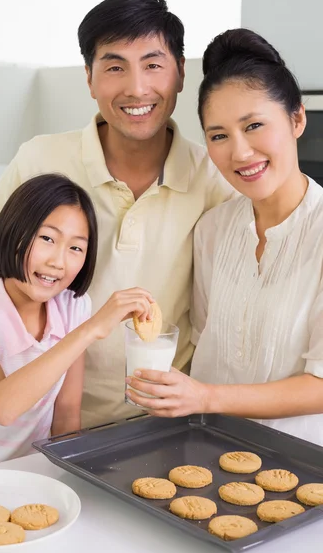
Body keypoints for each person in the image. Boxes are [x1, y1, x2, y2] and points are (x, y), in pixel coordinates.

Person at [0, 0, 232, 428]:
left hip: (160, 418)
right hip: (43, 417)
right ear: (89, 78)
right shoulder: (39, 158)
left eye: (153, 64)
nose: (137, 87)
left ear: (181, 73)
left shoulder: (214, 177)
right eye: (114, 66)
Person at [125, 28, 323, 446]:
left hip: (302, 468)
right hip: (206, 450)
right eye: (218, 136)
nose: (240, 153)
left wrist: (205, 396)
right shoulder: (212, 229)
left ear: (297, 119)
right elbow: (203, 343)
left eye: (254, 125)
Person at [0, 174, 154, 477]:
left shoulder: (73, 308)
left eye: (76, 248)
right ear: (12, 232)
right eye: (47, 239)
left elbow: (67, 411)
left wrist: (70, 481)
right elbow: (1, 408)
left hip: (28, 476)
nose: (58, 261)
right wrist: (90, 330)